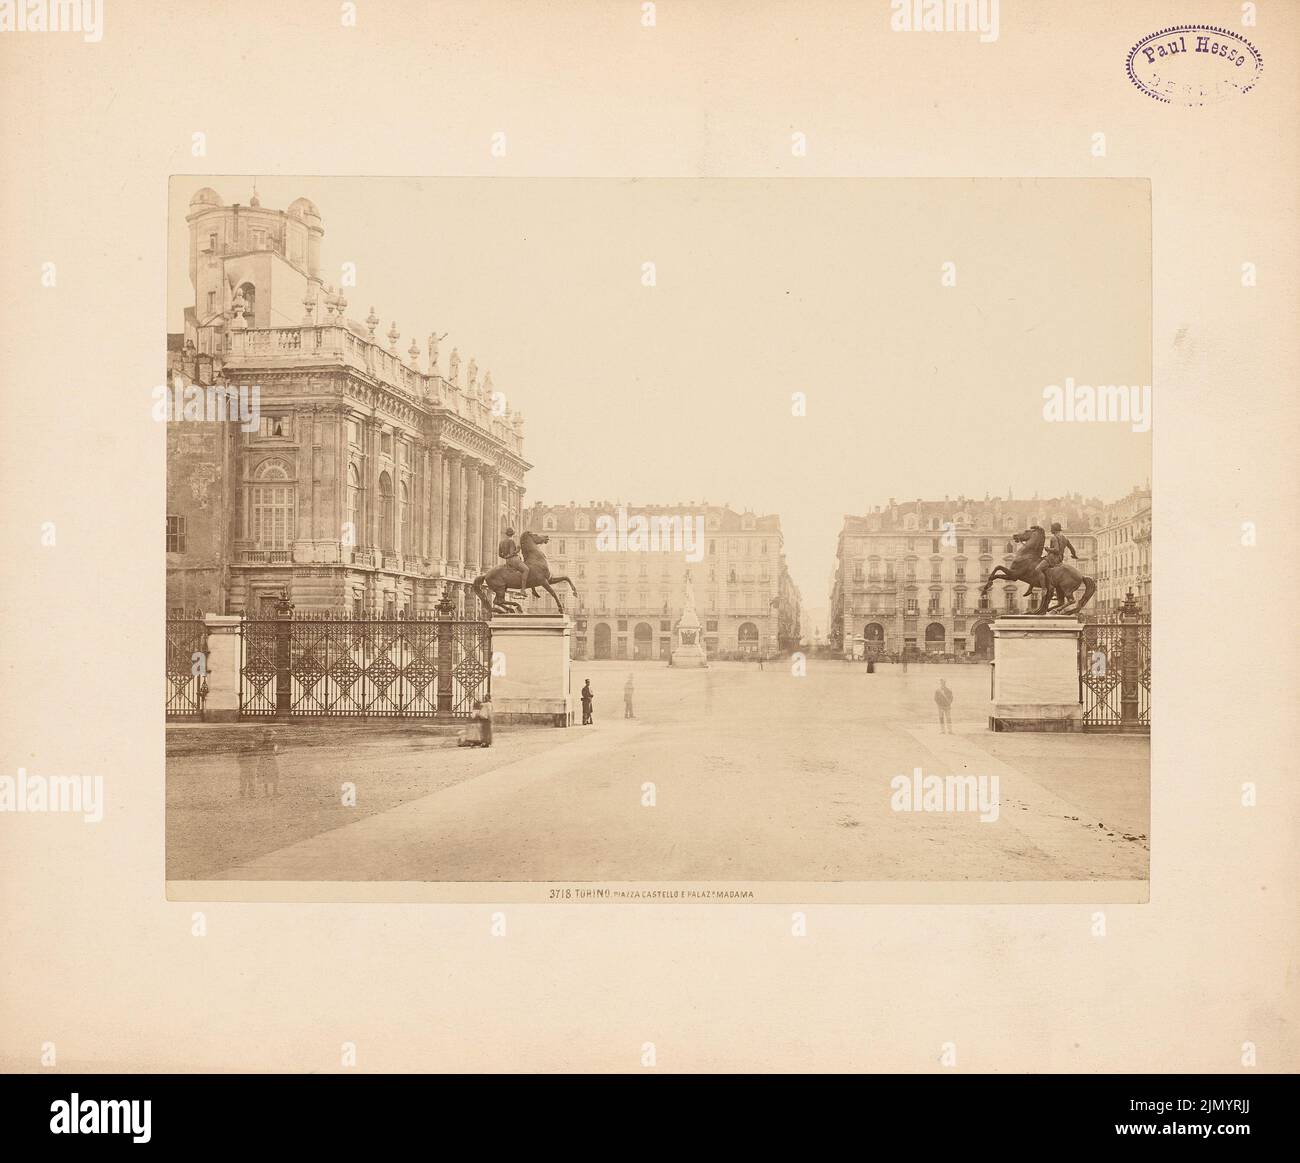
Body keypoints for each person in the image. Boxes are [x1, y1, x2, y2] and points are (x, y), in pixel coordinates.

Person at [257, 727, 280, 796]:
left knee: (274, 774)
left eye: (271, 735)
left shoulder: (272, 743)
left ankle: (274, 791)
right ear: (265, 736)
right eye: (268, 735)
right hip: (266, 760)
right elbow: (273, 752)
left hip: (270, 759)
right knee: (266, 775)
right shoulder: (264, 744)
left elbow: (275, 752)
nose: (270, 736)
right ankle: (267, 792)